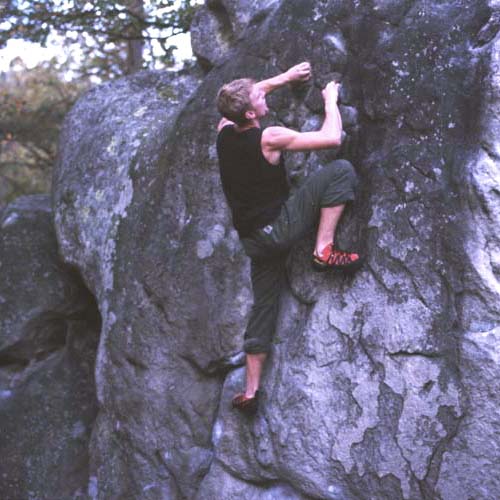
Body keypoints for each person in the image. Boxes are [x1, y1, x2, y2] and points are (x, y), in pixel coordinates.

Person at [215, 62, 363, 414]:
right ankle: (324, 249)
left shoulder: (224, 129)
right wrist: (330, 101)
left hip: (252, 239)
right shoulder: (269, 137)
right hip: (277, 229)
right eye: (258, 96)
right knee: (340, 171)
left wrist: (285, 78)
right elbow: (331, 138)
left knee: (264, 306)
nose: (265, 94)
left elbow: (253, 95)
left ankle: (251, 391)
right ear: (251, 112)